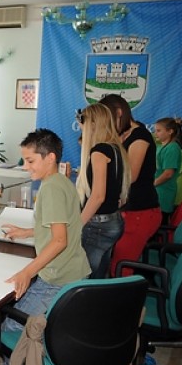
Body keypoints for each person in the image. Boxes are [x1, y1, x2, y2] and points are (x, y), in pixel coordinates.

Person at [0, 129, 91, 359]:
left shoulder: (50, 188)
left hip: (57, 280)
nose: (25, 167)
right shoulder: (61, 181)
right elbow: (63, 226)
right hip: (74, 271)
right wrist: (28, 232)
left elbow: (60, 240)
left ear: (50, 158)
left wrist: (27, 272)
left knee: (8, 328)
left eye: (30, 161)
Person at [99, 94, 161, 276]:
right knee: (112, 262)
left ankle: (123, 295)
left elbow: (131, 175)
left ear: (119, 113)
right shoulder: (123, 135)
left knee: (121, 267)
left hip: (140, 211)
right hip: (126, 209)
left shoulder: (140, 136)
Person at [75, 104, 130, 278]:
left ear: (92, 124)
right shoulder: (115, 148)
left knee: (85, 277)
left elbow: (98, 196)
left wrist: (77, 224)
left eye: (82, 124)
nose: (81, 128)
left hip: (98, 225)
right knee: (99, 274)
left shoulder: (99, 152)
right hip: (113, 221)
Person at [154, 117, 182, 224]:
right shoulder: (159, 147)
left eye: (159, 131)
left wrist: (152, 184)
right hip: (156, 192)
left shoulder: (172, 148)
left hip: (164, 193)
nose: (156, 133)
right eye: (155, 130)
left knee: (161, 223)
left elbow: (168, 173)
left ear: (170, 131)